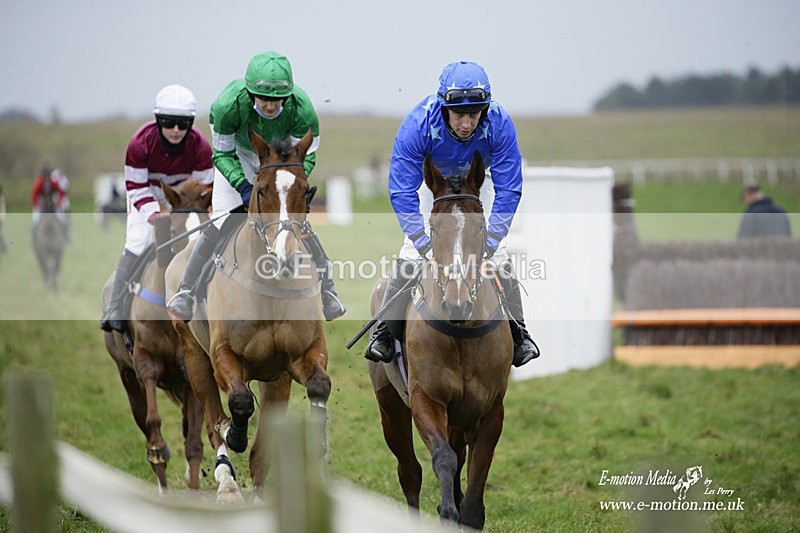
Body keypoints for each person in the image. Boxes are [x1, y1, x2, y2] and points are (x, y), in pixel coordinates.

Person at [365, 60, 539, 368]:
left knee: (499, 257)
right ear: (445, 107)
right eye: (459, 114)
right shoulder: (418, 124)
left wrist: (493, 237)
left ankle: (519, 334)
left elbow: (508, 188)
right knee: (410, 255)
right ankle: (382, 333)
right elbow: (402, 191)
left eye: (474, 114)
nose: (467, 123)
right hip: (431, 186)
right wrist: (421, 240)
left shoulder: (498, 122)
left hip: (476, 182)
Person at [166, 51, 346, 322]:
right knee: (220, 221)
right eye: (264, 100)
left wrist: (294, 182)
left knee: (297, 223)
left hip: (282, 161)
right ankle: (187, 291)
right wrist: (242, 185)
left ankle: (328, 292)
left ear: (288, 95)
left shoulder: (303, 108)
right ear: (251, 94)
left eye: (277, 101)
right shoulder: (227, 105)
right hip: (238, 156)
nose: (271, 107)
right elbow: (221, 154)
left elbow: (307, 155)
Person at [100, 84, 214, 333]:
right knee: (137, 241)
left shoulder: (202, 147)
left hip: (183, 201)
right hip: (148, 196)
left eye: (182, 124)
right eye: (168, 122)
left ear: (191, 123)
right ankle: (115, 306)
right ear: (158, 121)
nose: (175, 130)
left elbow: (202, 189)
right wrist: (157, 215)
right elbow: (136, 187)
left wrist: (183, 210)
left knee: (202, 239)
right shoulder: (139, 143)